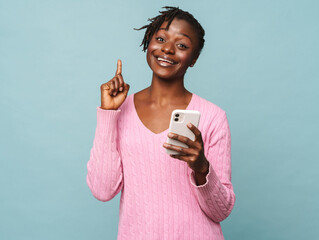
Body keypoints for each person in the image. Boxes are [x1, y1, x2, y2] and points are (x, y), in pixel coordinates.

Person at [86, 6, 235, 240]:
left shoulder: (213, 117)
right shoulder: (120, 111)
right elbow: (103, 191)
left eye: (182, 45)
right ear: (149, 42)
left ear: (193, 58)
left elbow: (221, 210)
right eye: (161, 38)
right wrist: (107, 114)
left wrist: (202, 168)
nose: (167, 48)